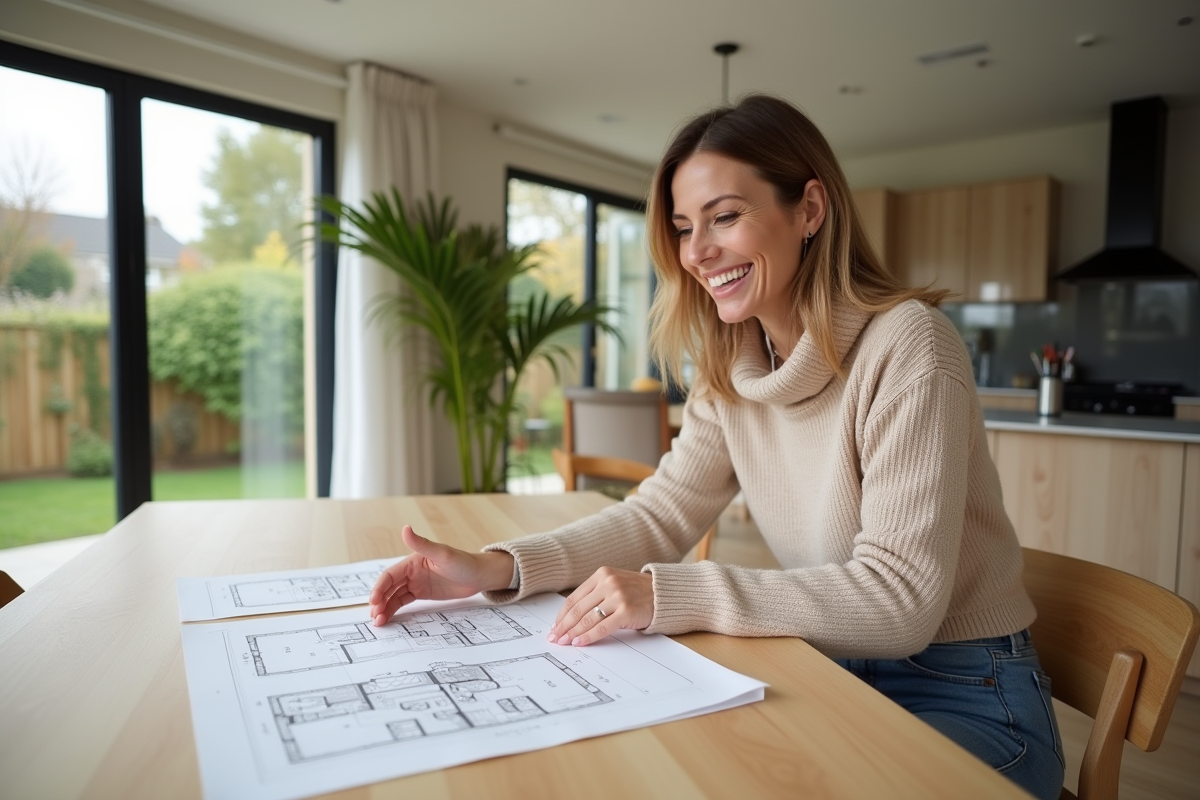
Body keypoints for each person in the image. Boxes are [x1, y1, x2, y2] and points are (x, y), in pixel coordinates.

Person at [368, 94, 1064, 799]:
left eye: (725, 217)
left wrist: (667, 593)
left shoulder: (909, 344)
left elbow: (900, 602)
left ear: (810, 210)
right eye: (682, 227)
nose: (697, 252)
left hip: (967, 691)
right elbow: (659, 516)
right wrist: (495, 569)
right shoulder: (730, 361)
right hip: (829, 664)